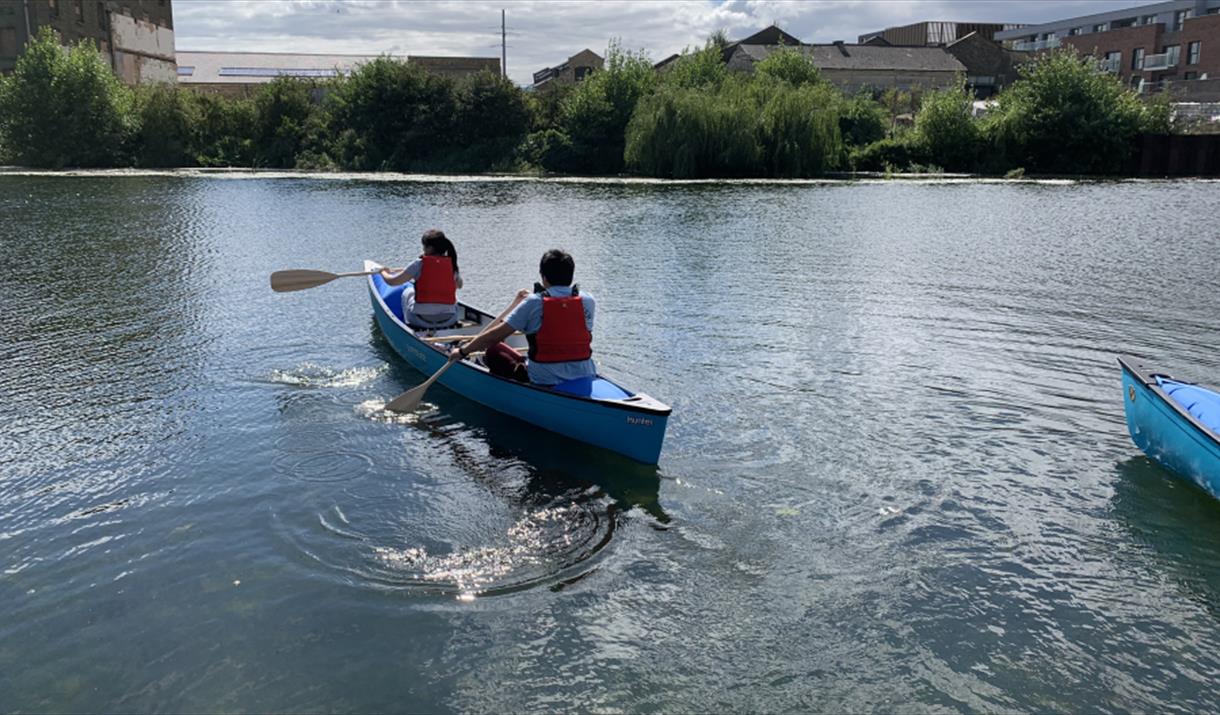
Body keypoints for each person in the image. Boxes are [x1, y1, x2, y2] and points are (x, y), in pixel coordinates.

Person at [450, 249, 595, 386]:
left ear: (543, 277)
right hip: (584, 374)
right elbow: (563, 322)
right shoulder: (588, 300)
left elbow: (494, 336)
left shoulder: (533, 302)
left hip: (543, 379)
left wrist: (463, 351)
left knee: (494, 350)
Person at [380, 229, 464, 329]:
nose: (423, 249)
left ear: (430, 248)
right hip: (449, 320)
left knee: (408, 292)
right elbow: (460, 285)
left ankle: (406, 324)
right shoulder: (452, 265)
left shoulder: (418, 264)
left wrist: (383, 272)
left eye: (424, 246)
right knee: (455, 300)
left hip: (421, 321)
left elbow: (392, 282)